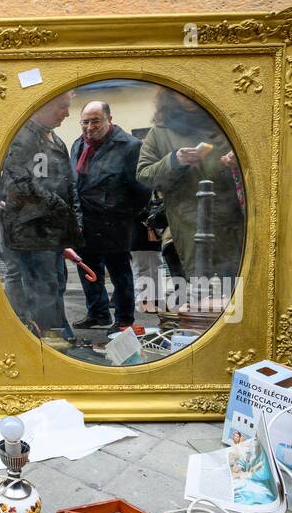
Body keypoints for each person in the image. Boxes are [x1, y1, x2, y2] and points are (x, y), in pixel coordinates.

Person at [136, 89, 245, 288]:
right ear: (170, 96)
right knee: (199, 290)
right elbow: (144, 175)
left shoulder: (225, 122)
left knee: (236, 289)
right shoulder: (160, 132)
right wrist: (174, 161)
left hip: (230, 222)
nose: (189, 96)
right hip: (189, 224)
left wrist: (238, 161)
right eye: (182, 93)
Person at [0, 92, 80, 335]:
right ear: (42, 106)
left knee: (56, 283)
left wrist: (72, 221)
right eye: (62, 106)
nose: (67, 113)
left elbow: (68, 183)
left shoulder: (55, 140)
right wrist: (57, 206)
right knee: (40, 287)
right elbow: (19, 183)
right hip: (31, 230)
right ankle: (46, 335)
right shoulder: (21, 138)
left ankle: (57, 332)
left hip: (52, 228)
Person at [69, 101, 151, 332]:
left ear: (109, 119)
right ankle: (98, 313)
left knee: (119, 273)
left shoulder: (130, 146)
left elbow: (143, 189)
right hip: (84, 220)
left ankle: (124, 319)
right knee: (88, 270)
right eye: (85, 122)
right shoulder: (78, 144)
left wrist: (123, 213)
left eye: (95, 121)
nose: (89, 127)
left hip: (115, 221)